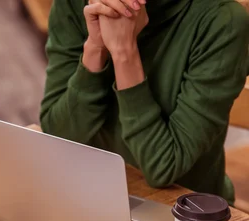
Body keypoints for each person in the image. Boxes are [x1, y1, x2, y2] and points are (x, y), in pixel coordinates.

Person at [41, 0, 249, 205]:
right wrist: (96, 47)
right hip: (88, 194)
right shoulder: (74, 4)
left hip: (186, 213)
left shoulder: (222, 21)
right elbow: (57, 137)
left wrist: (124, 52)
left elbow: (163, 167)